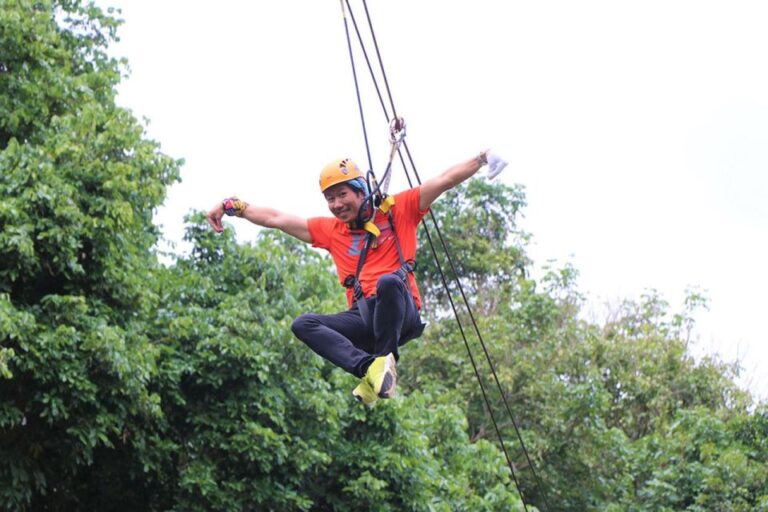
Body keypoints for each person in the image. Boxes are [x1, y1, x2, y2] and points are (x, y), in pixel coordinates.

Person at [207, 151, 507, 406]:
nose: (336, 204)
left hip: (401, 313)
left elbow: (443, 180)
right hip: (363, 319)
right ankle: (369, 368)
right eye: (329, 199)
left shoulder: (399, 211)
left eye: (341, 195)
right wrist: (235, 207)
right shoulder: (332, 231)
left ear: (361, 191)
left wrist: (481, 158)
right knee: (304, 323)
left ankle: (384, 359)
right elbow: (277, 219)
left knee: (388, 282)